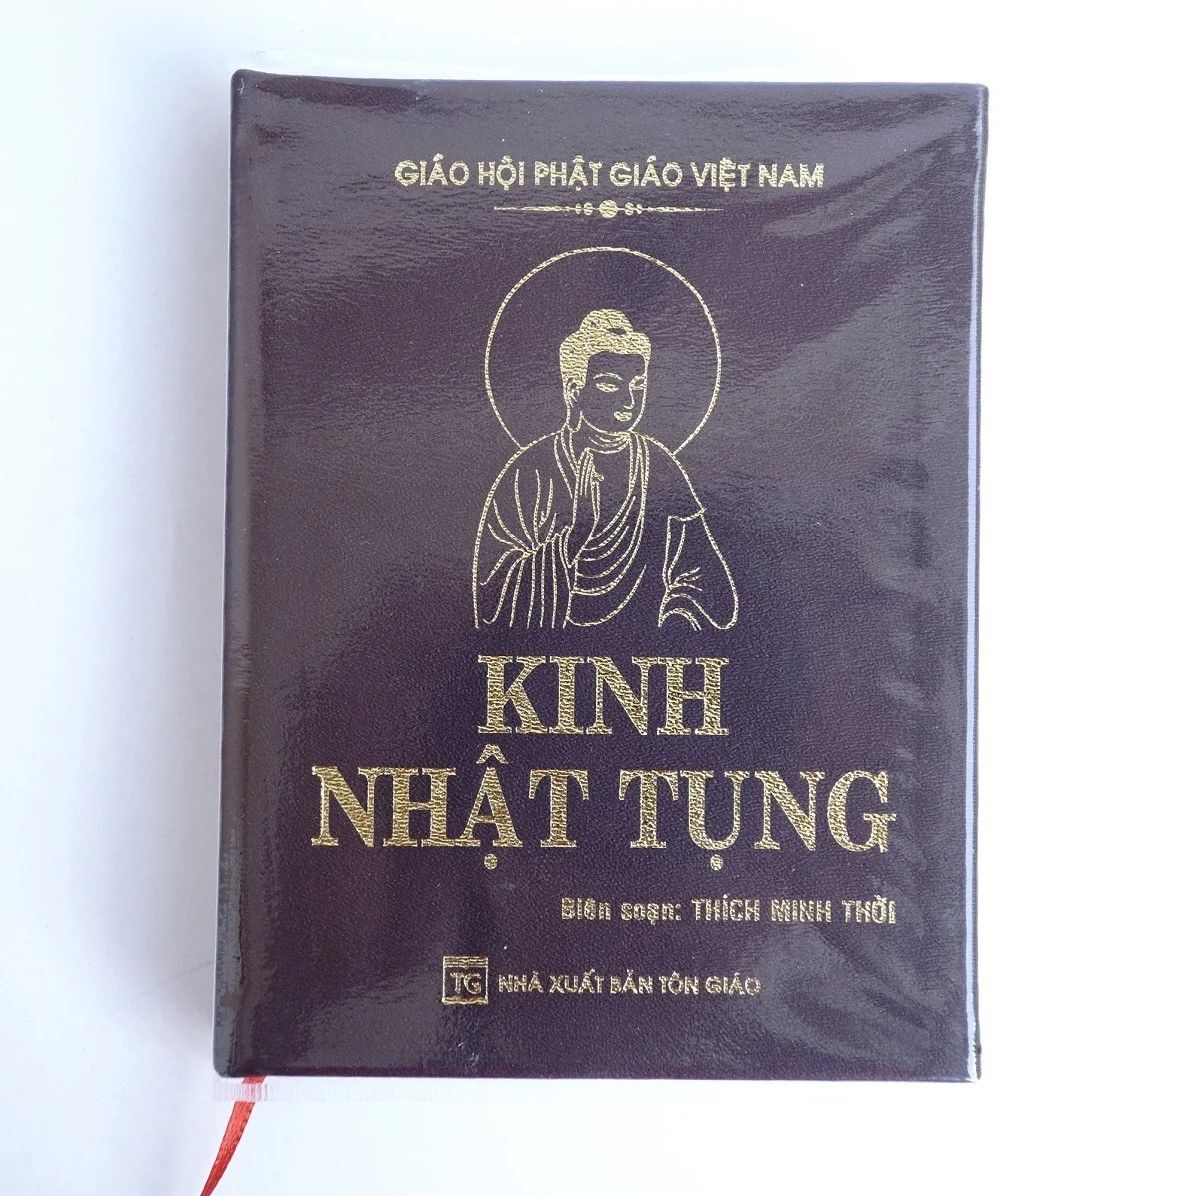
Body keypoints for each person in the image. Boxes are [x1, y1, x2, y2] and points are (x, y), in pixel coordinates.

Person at [474, 309, 738, 630]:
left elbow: (711, 587)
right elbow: (490, 596)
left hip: (648, 645)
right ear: (574, 390)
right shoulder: (531, 472)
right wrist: (574, 538)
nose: (628, 400)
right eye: (610, 385)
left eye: (638, 385)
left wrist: (676, 621)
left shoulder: (659, 466)